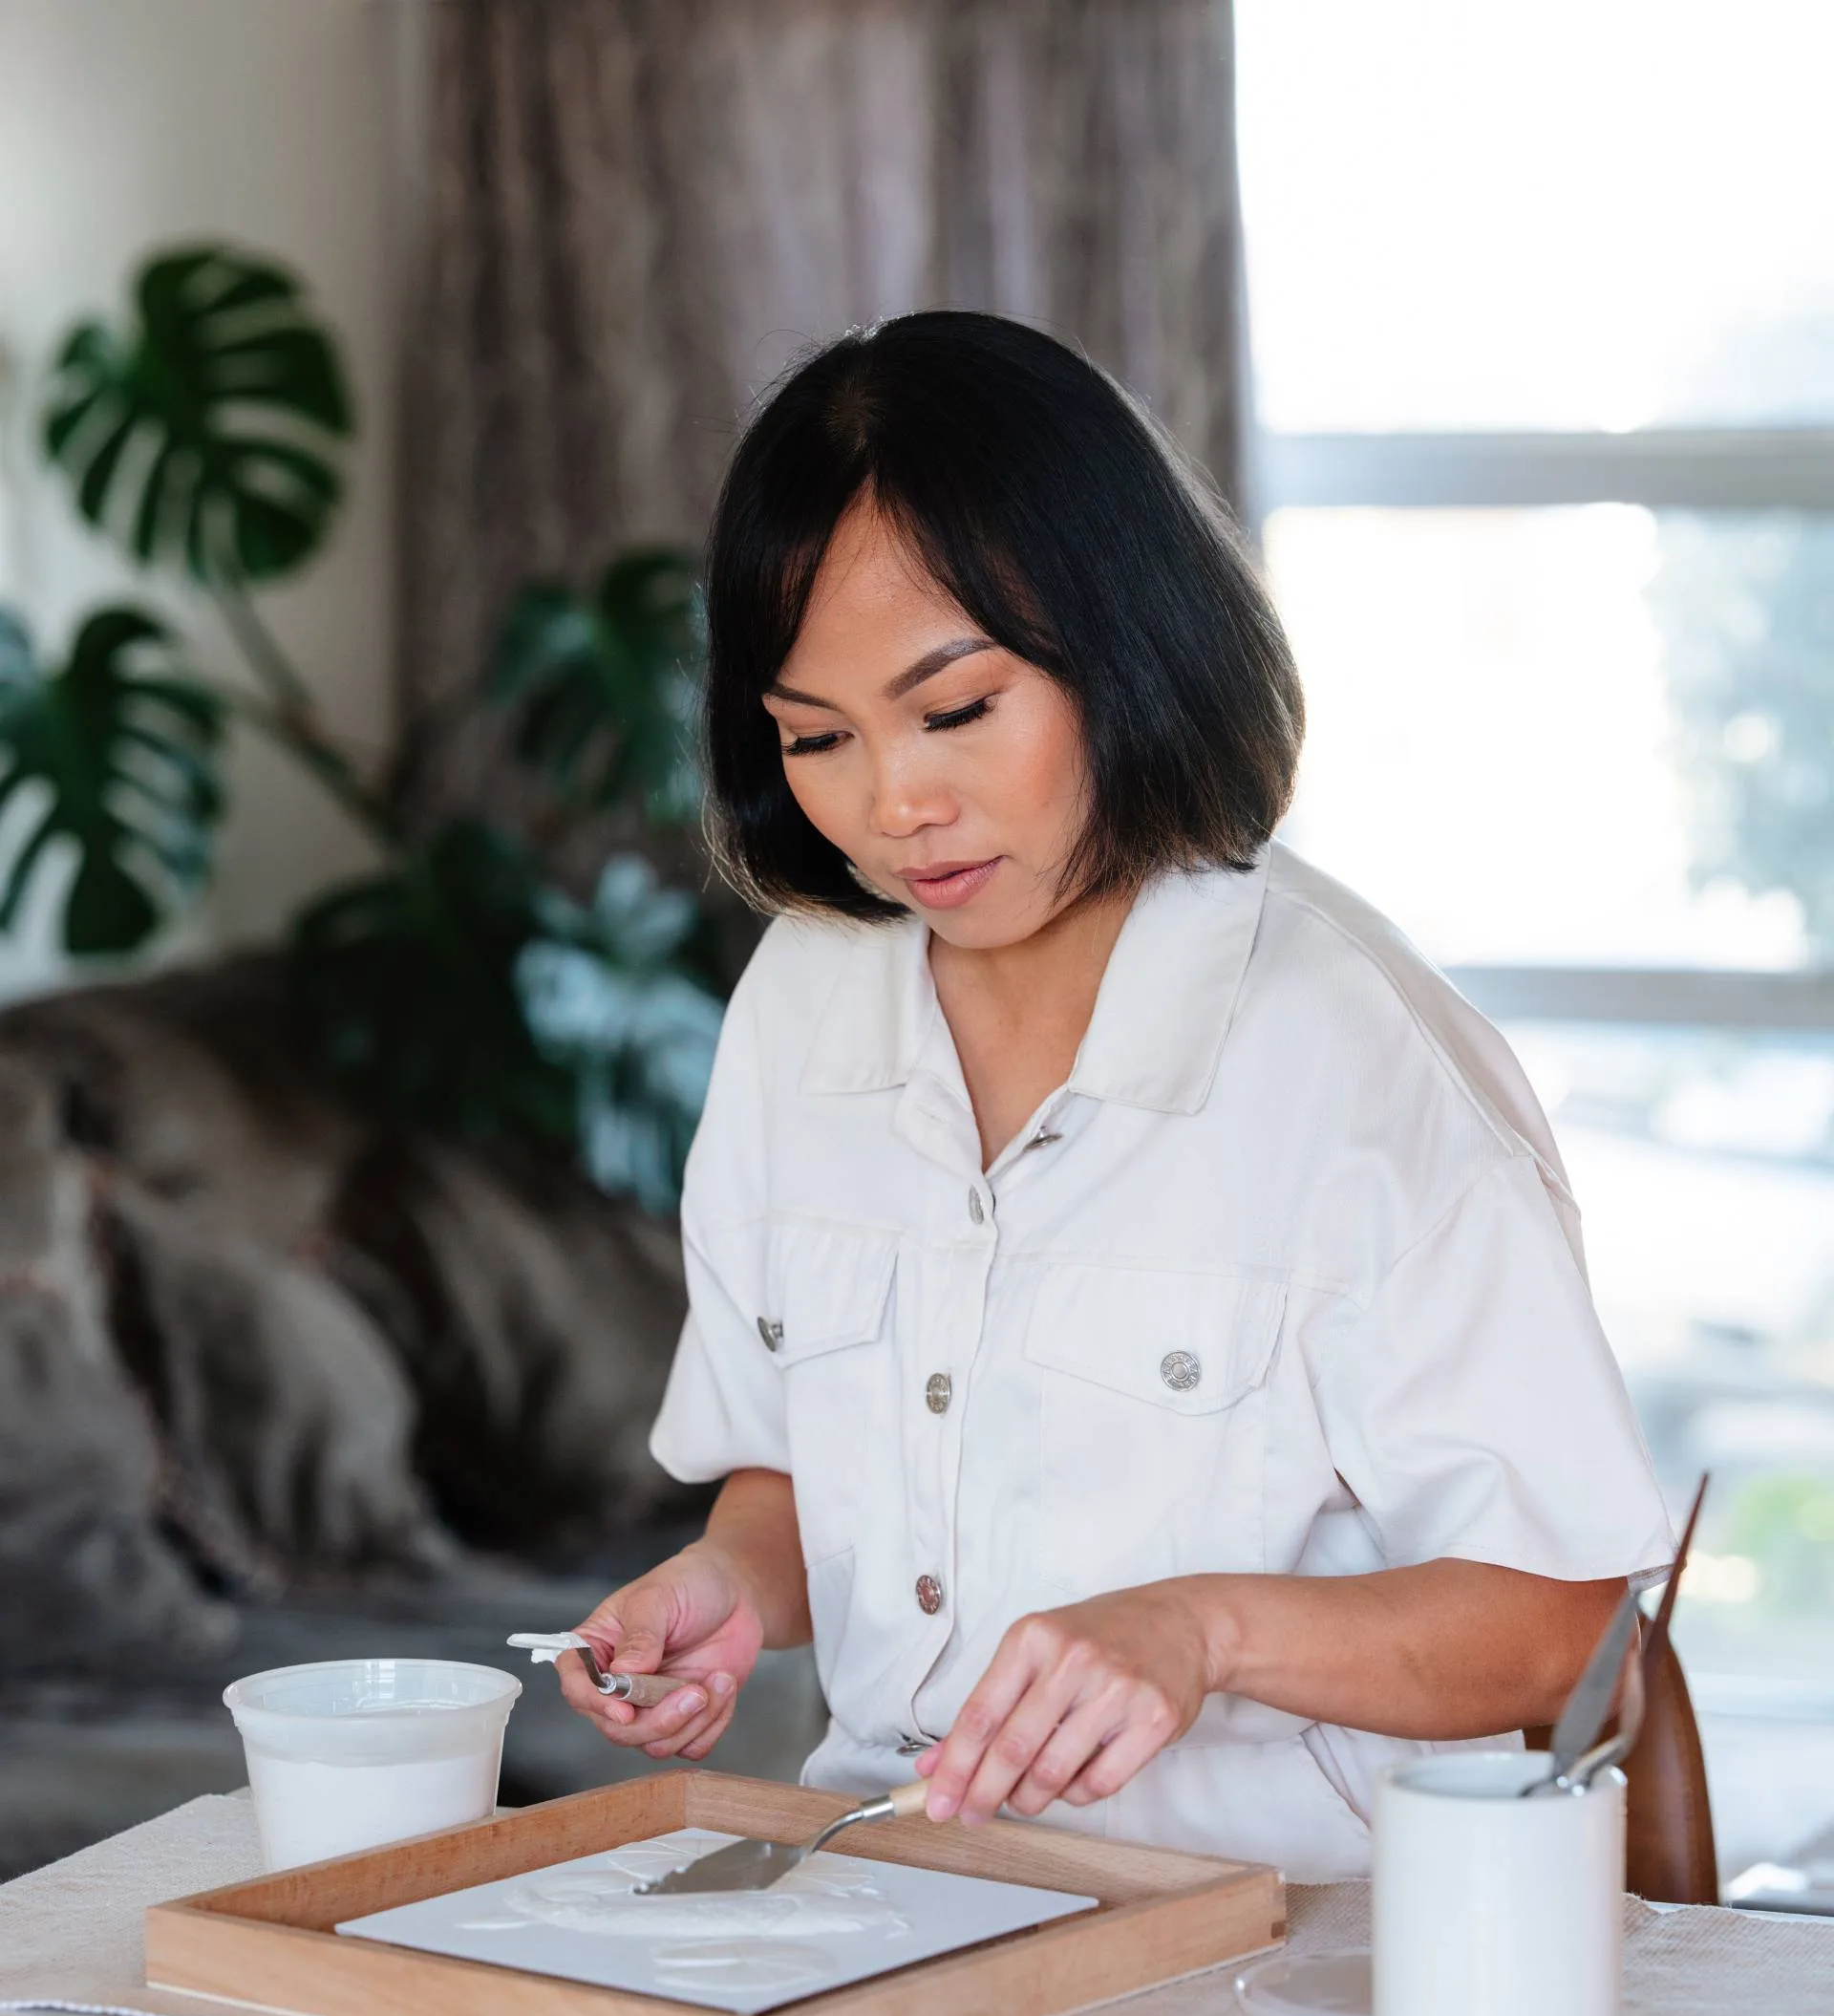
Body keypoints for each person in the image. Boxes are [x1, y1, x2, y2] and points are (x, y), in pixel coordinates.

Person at [557, 311, 1672, 1879]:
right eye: (818, 738)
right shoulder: (803, 1001)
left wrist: (1202, 1633)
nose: (894, 808)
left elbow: (1569, 1631)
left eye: (955, 710)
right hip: (886, 1898)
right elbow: (802, 1464)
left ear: (1126, 645)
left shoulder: (1355, 1062)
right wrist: (730, 1587)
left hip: (1281, 1964)